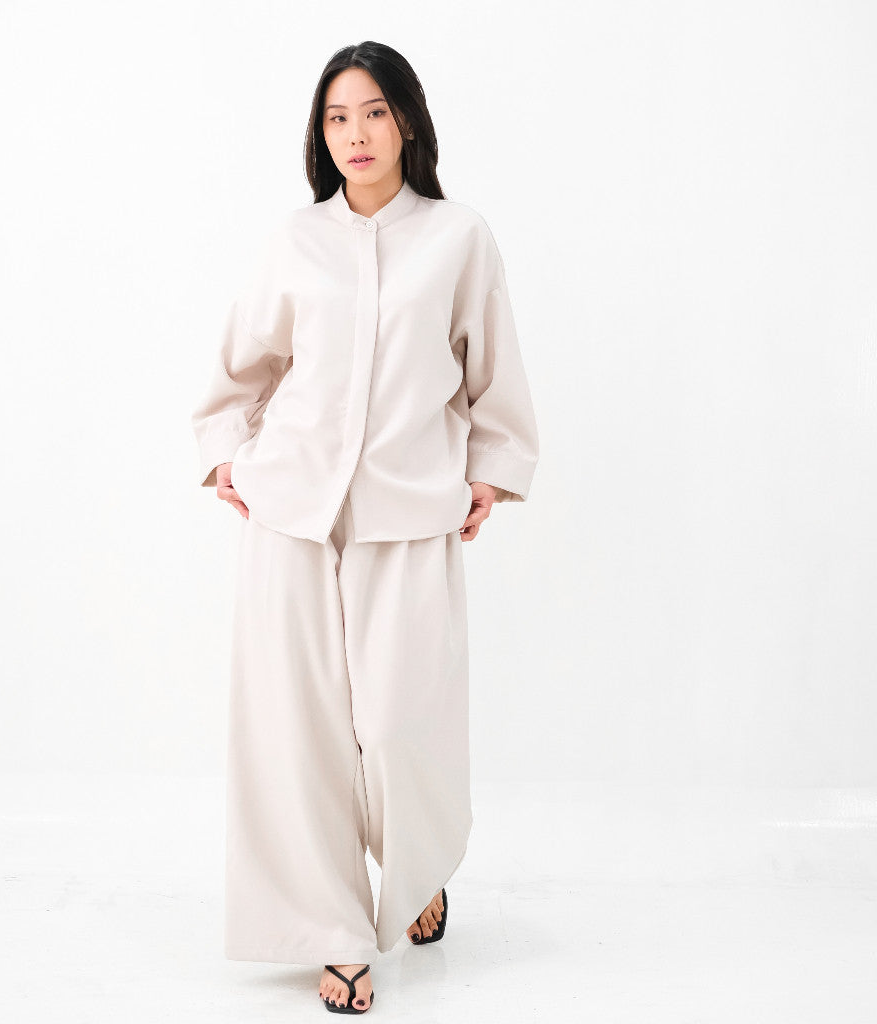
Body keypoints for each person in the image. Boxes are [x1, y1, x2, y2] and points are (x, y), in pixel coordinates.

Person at [191, 40, 539, 1015]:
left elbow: (494, 371)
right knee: (297, 737)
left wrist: (492, 472)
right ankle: (334, 934)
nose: (356, 133)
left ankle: (417, 867)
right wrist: (228, 454)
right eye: (338, 116)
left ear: (408, 122)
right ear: (321, 133)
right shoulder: (295, 241)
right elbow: (240, 369)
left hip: (408, 513)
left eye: (374, 112)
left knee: (396, 727)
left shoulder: (459, 237)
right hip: (290, 515)